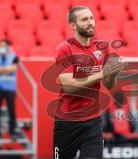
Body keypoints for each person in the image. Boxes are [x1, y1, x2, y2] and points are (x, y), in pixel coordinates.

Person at [54, 6, 128, 159]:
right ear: (73, 25)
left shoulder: (102, 47)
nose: (90, 22)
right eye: (84, 19)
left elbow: (109, 85)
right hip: (67, 122)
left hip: (93, 120)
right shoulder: (65, 48)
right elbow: (68, 86)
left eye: (91, 18)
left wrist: (114, 71)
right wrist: (102, 73)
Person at [0, 39, 19, 139]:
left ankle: (12, 132)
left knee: (11, 111)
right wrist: (6, 69)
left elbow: (13, 69)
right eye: (1, 45)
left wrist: (1, 70)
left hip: (9, 88)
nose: (2, 48)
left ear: (8, 46)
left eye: (4, 46)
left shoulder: (14, 56)